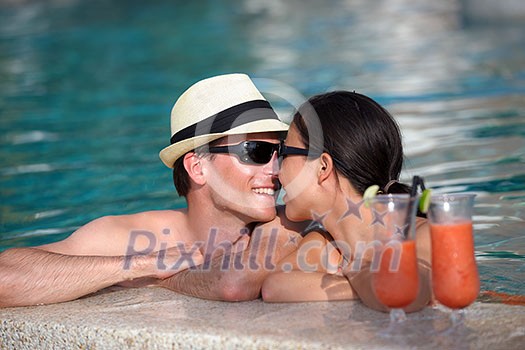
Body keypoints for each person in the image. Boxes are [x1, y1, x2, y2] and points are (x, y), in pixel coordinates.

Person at [0, 73, 304, 308]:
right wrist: (146, 264)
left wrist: (160, 281)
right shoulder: (135, 236)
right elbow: (5, 279)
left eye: (281, 152)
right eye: (256, 151)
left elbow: (233, 284)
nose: (276, 170)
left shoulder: (286, 222)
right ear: (198, 168)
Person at [261, 91, 432, 312]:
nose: (276, 171)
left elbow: (408, 293)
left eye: (284, 152)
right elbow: (274, 286)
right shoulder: (326, 244)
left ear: (322, 167)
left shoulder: (420, 233)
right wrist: (360, 287)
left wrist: (356, 273)